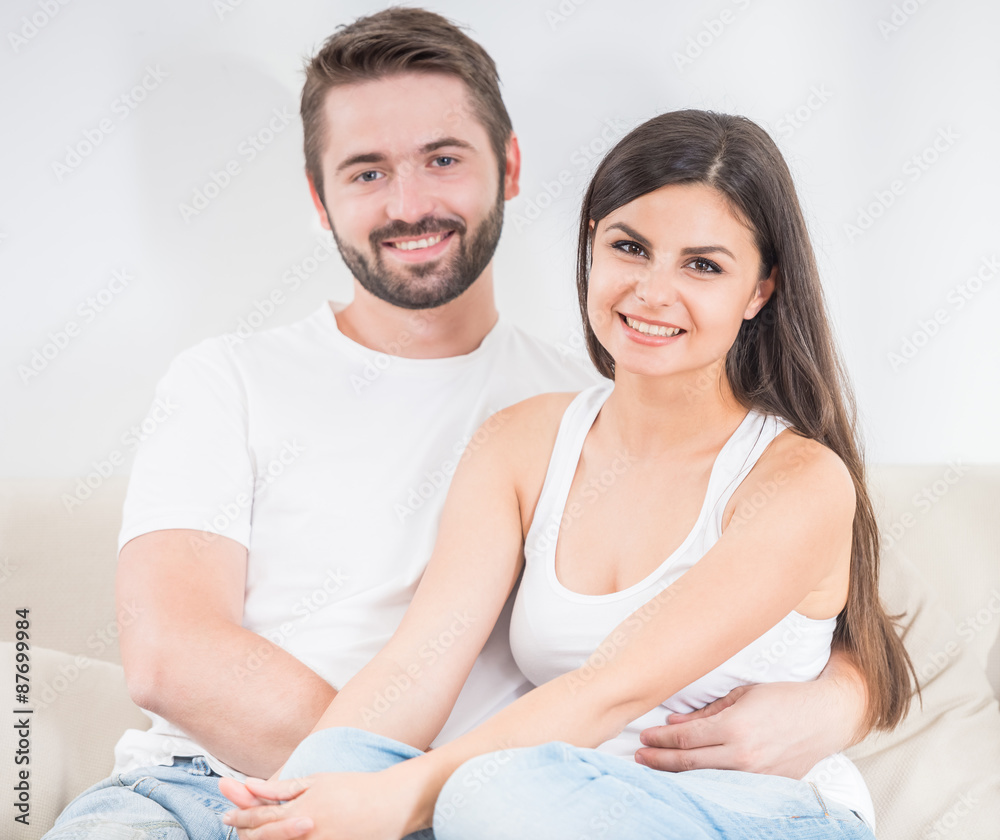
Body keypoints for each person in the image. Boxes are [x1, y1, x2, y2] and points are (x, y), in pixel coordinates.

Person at [43, 10, 869, 840]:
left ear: (508, 166)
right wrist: (348, 795)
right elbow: (191, 656)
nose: (409, 203)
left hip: (508, 798)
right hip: (269, 786)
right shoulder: (242, 383)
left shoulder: (618, 396)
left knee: (500, 799)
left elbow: (794, 623)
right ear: (319, 197)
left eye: (441, 159)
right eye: (366, 171)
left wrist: (844, 699)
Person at [220, 109, 917, 840]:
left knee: (486, 794)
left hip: (751, 815)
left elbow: (613, 687)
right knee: (343, 759)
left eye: (702, 265)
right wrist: (306, 793)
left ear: (760, 292)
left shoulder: (799, 480)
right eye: (629, 247)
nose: (652, 291)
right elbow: (417, 665)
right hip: (558, 805)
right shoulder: (522, 443)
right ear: (591, 246)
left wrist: (399, 800)